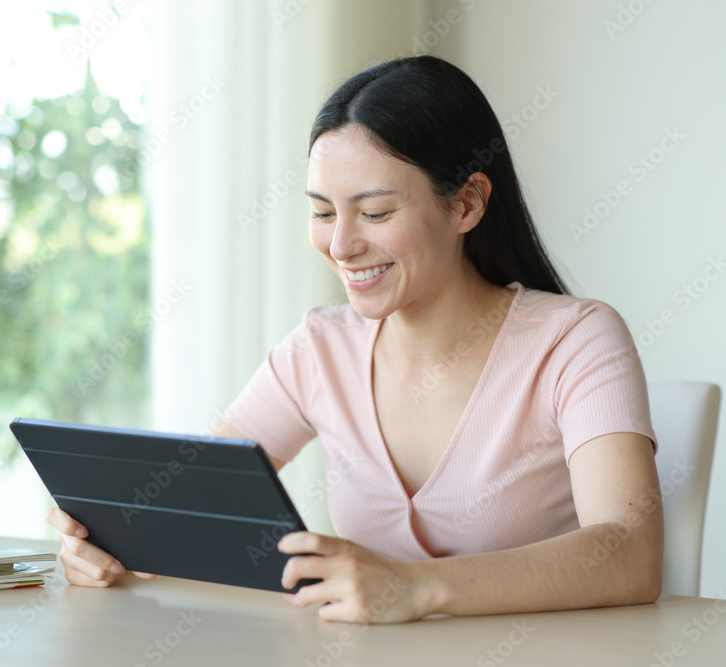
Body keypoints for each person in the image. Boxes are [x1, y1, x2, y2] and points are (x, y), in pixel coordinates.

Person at [47, 55, 662, 624]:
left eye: (375, 213)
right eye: (321, 212)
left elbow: (631, 554)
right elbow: (185, 509)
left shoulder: (575, 340)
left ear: (469, 202)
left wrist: (417, 587)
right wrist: (106, 539)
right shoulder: (320, 349)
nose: (341, 246)